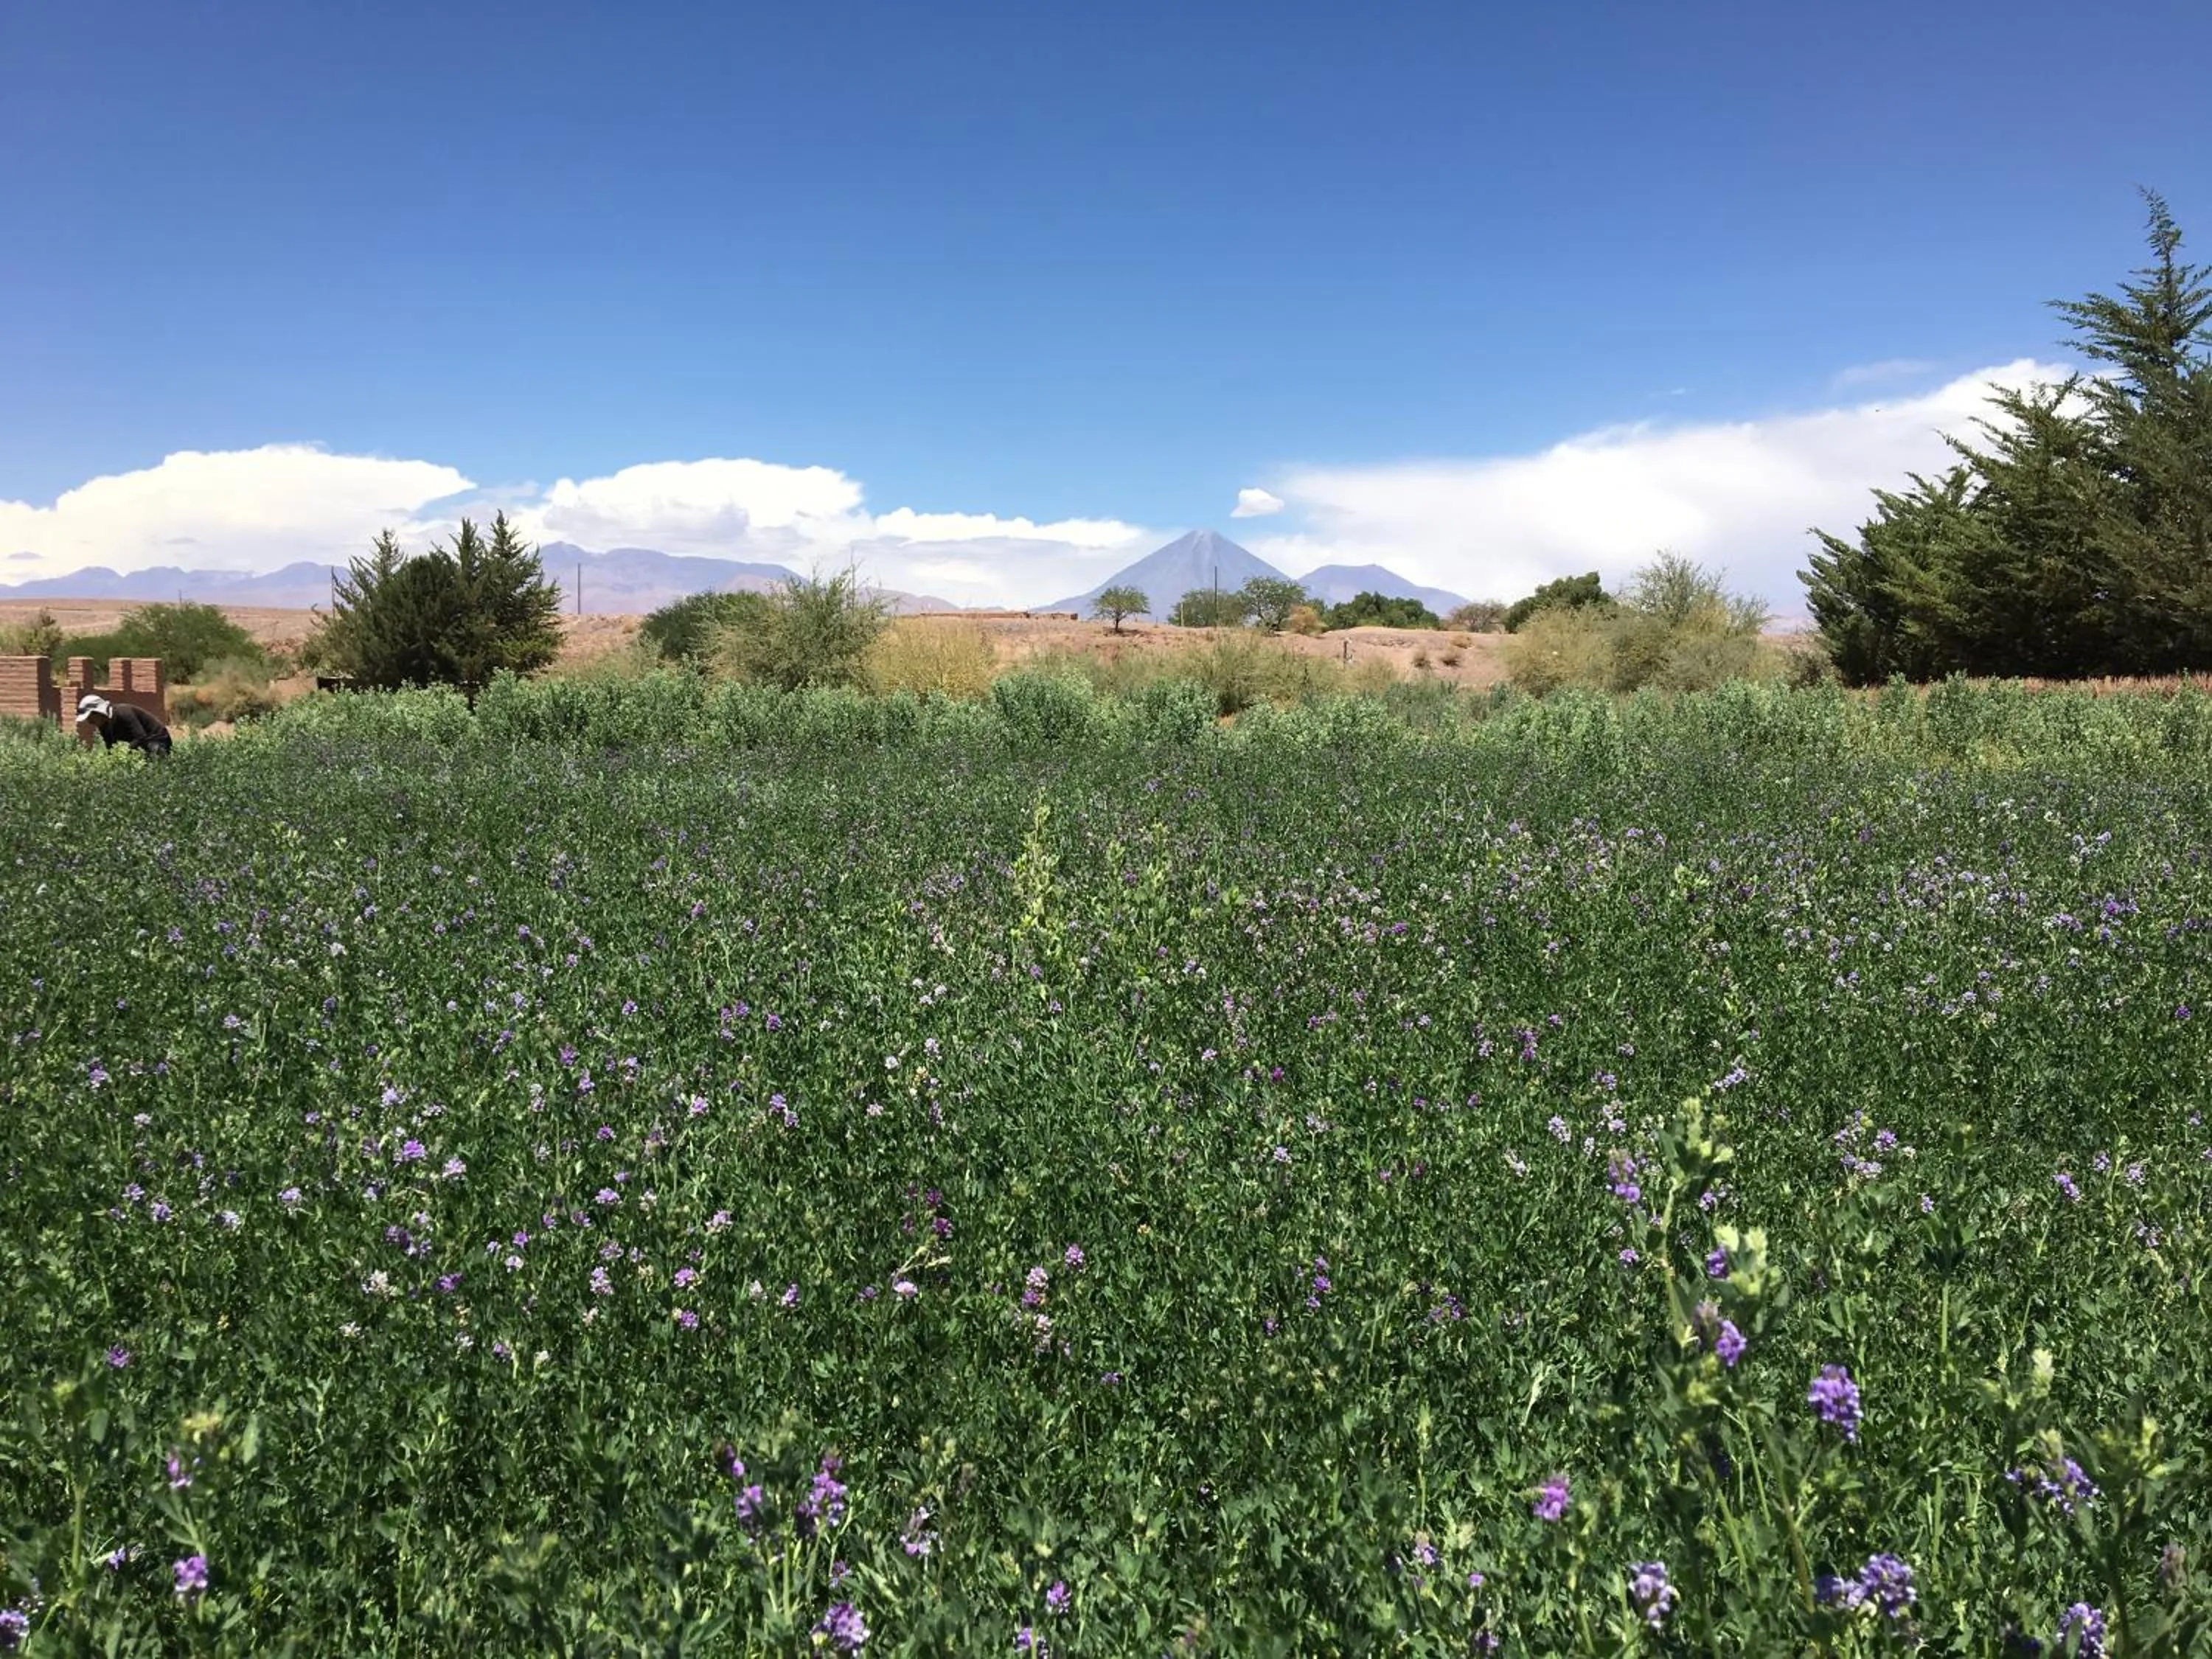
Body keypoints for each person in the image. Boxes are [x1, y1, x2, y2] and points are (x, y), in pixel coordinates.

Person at [76, 694, 173, 755]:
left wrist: (124, 752)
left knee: (152, 756)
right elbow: (110, 747)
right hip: (140, 743)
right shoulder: (104, 725)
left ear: (98, 712)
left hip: (157, 739)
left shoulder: (123, 712)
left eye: (90, 718)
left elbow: (141, 737)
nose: (90, 722)